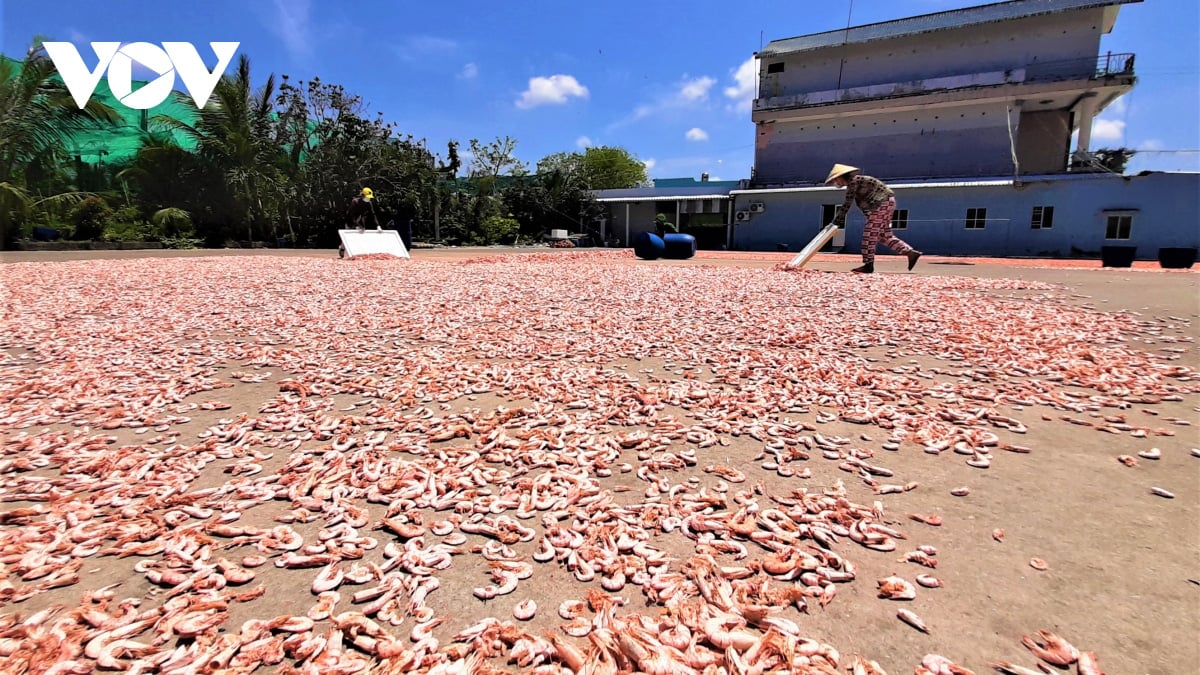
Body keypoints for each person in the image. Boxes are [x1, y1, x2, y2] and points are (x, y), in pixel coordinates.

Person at [826, 164, 921, 274]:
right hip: (887, 203)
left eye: (836, 180)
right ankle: (910, 253)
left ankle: (868, 265)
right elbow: (863, 204)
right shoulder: (858, 182)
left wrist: (836, 221)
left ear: (841, 177)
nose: (836, 183)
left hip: (882, 204)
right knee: (884, 236)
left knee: (869, 235)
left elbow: (847, 204)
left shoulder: (854, 182)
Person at [339, 187, 380, 258]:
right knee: (347, 237)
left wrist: (378, 225)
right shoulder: (355, 202)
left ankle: (358, 253)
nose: (368, 199)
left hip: (360, 218)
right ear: (362, 196)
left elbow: (373, 214)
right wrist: (357, 225)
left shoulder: (369, 203)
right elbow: (351, 216)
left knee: (360, 234)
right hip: (350, 220)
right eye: (367, 197)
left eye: (369, 198)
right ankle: (342, 248)